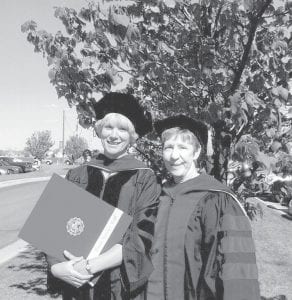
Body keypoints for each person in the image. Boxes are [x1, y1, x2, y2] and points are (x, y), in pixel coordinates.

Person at [47, 93, 160, 300]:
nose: (114, 135)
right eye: (108, 127)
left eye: (123, 129)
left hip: (118, 286)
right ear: (99, 130)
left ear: (132, 136)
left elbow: (141, 236)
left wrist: (89, 267)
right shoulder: (78, 174)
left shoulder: (144, 178)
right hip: (75, 286)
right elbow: (54, 227)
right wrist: (56, 267)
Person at [147, 115, 260, 300]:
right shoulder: (159, 196)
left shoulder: (217, 199)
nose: (174, 156)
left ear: (197, 152)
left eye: (183, 147)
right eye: (168, 147)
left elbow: (237, 271)